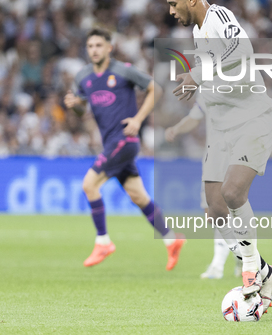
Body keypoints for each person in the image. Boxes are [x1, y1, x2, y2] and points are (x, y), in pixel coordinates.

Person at [165, 0, 272, 313]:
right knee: (214, 208)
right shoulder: (200, 35)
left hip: (252, 120)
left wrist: (196, 76)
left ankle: (250, 271)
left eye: (173, 4)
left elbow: (240, 53)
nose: (171, 11)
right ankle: (264, 270)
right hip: (223, 127)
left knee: (232, 193)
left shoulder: (219, 17)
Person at [64, 28, 185, 270]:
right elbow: (81, 110)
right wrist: (76, 105)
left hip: (125, 140)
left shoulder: (123, 71)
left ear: (109, 48)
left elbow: (155, 89)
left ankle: (103, 242)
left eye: (99, 45)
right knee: (139, 197)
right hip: (111, 143)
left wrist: (138, 120)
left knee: (89, 185)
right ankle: (172, 239)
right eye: (90, 46)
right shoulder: (83, 77)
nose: (94, 50)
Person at [165, 94, 242, 279]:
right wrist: (176, 129)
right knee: (211, 213)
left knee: (222, 210)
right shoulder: (207, 91)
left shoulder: (239, 87)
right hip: (212, 155)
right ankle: (242, 256)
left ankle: (218, 265)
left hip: (234, 153)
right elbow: (194, 117)